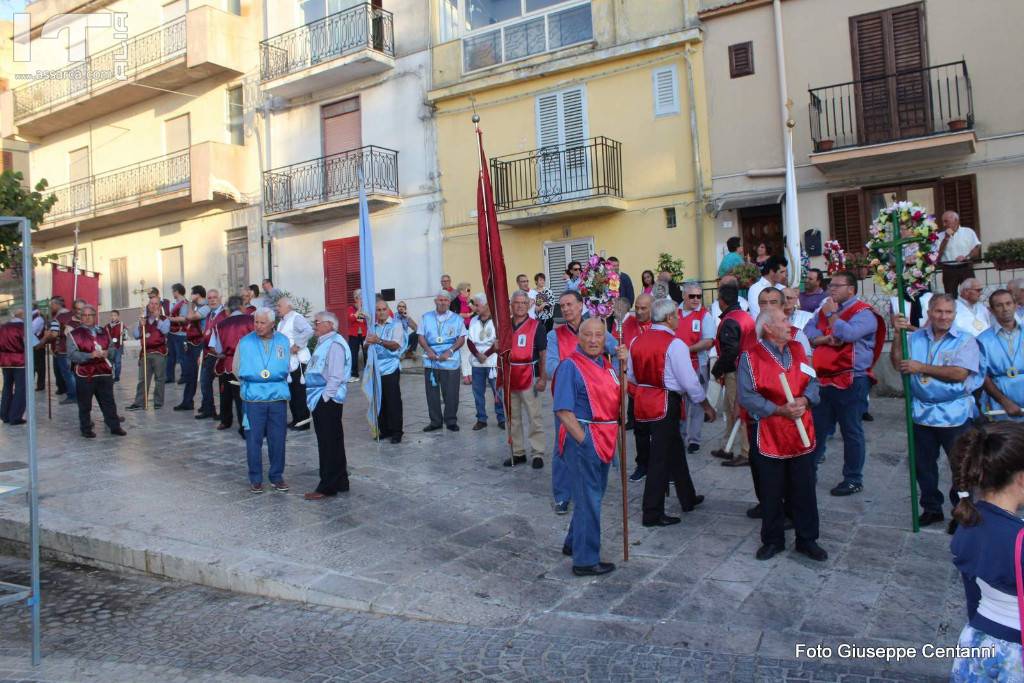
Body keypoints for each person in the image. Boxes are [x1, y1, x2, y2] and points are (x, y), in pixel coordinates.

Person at [738, 307, 826, 562]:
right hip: (770, 431)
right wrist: (778, 409)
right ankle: (773, 539)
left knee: (804, 488)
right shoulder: (749, 358)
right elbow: (748, 396)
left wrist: (805, 399)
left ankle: (807, 539)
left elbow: (813, 381)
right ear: (768, 327)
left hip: (801, 430)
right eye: (784, 320)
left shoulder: (799, 350)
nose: (790, 324)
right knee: (771, 490)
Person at [892, 294, 981, 528]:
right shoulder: (915, 337)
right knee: (923, 465)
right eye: (939, 311)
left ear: (954, 314)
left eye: (948, 312)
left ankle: (961, 510)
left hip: (954, 414)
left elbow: (959, 373)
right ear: (929, 312)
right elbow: (897, 363)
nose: (943, 316)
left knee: (960, 466)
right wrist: (897, 336)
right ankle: (931, 507)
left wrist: (921, 367)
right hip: (921, 412)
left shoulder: (965, 340)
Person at [630, 298, 715, 527]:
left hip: (643, 401)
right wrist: (705, 405)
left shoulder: (637, 340)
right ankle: (652, 512)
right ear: (669, 317)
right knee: (659, 459)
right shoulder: (674, 344)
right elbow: (689, 382)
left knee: (675, 449)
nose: (678, 318)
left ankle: (687, 497)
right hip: (666, 401)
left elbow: (632, 377)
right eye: (676, 315)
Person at [948, 422, 1024, 681]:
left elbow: (973, 596)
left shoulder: (967, 521)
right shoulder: (1019, 538)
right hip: (1014, 655)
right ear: (1021, 478)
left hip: (975, 642)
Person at [554, 318, 625, 577]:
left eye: (599, 335)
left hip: (605, 437)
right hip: (585, 440)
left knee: (591, 496)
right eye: (588, 335)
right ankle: (585, 560)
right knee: (589, 500)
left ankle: (574, 542)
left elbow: (621, 393)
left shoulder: (606, 365)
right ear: (579, 338)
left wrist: (623, 363)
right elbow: (563, 409)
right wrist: (584, 440)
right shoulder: (570, 366)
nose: (594, 340)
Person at [804, 271, 884, 495]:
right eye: (830, 285)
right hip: (824, 378)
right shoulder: (826, 309)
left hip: (852, 379)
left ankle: (853, 478)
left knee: (851, 431)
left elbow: (849, 334)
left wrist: (831, 318)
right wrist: (826, 338)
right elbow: (808, 331)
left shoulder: (864, 313)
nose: (832, 289)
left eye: (837, 286)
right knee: (817, 429)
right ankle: (808, 472)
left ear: (851, 289)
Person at [546, 290, 619, 515]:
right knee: (562, 447)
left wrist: (608, 371)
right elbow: (550, 367)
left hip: (594, 399)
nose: (566, 309)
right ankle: (562, 495)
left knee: (594, 451)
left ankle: (590, 491)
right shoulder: (554, 336)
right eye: (562, 305)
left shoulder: (595, 329)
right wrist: (577, 371)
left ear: (581, 305)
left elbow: (616, 351)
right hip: (568, 397)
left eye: (570, 304)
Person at [235, 307, 291, 494]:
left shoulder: (282, 341)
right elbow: (236, 367)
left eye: (262, 322)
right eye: (256, 322)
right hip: (253, 398)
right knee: (253, 440)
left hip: (278, 396)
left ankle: (276, 476)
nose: (258, 326)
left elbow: (287, 365)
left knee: (278, 439)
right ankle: (256, 478)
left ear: (272, 324)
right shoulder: (245, 342)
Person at [304, 311, 352, 499]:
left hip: (326, 400)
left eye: (317, 322)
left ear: (329, 325)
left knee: (328, 444)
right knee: (334, 441)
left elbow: (335, 375)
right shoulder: (324, 342)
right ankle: (341, 481)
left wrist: (325, 397)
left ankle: (327, 486)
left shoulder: (335, 344)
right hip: (320, 398)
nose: (314, 325)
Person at [711, 283, 755, 466]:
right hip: (745, 367)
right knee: (730, 410)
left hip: (735, 371)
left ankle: (746, 452)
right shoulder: (745, 316)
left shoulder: (730, 320)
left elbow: (730, 351)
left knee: (738, 410)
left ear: (721, 301)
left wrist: (717, 370)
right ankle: (727, 447)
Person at [67, 306, 126, 439]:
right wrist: (89, 355)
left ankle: (114, 426)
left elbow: (112, 348)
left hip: (104, 372)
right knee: (85, 404)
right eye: (84, 315)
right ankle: (86, 428)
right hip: (85, 373)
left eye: (90, 315)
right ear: (81, 317)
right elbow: (71, 354)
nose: (87, 318)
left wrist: (107, 353)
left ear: (95, 316)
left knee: (109, 401)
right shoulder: (74, 334)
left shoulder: (103, 331)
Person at [505, 290, 548, 468]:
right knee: (513, 417)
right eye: (517, 302)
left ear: (529, 304)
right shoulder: (505, 326)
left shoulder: (537, 326)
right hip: (510, 376)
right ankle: (518, 452)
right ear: (511, 305)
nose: (520, 306)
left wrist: (543, 378)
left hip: (529, 374)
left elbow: (543, 353)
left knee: (534, 416)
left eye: (524, 302)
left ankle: (537, 453)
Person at [419, 290, 467, 432]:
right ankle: (435, 422)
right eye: (440, 300)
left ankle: (451, 420)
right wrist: (428, 350)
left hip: (450, 360)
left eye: (445, 300)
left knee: (451, 393)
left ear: (449, 302)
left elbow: (461, 338)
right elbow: (421, 336)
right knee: (432, 393)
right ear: (435, 301)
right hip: (431, 360)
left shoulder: (457, 319)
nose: (443, 302)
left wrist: (450, 351)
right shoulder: (426, 317)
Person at [676, 283, 715, 453]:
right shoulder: (673, 313)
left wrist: (687, 350)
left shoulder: (704, 316)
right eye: (692, 296)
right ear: (684, 296)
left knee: (697, 403)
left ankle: (694, 440)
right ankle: (680, 436)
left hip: (697, 364)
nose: (696, 299)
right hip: (676, 365)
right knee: (679, 403)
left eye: (699, 296)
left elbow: (708, 341)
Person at [978, 289, 1024, 420]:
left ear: (1015, 305)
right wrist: (1004, 402)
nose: (1005, 309)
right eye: (999, 305)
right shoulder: (983, 340)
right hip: (1001, 404)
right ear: (991, 310)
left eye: (1008, 303)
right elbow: (983, 376)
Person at [462, 293, 505, 431]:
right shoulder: (474, 320)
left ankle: (502, 418)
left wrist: (486, 354)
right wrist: (476, 354)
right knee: (477, 392)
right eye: (474, 304)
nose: (475, 307)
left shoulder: (497, 320)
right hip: (477, 361)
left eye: (477, 305)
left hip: (492, 360)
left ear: (486, 305)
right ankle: (481, 418)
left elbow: (499, 342)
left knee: (497, 392)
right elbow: (470, 340)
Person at [211, 296, 253, 436]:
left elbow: (217, 349)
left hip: (228, 363)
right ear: (242, 307)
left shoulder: (221, 324)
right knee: (244, 396)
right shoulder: (251, 320)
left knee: (226, 394)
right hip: (248, 362)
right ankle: (245, 427)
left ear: (229, 309)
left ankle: (226, 420)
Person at [622, 294, 654, 481]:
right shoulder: (626, 325)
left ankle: (668, 468)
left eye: (644, 308)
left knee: (661, 433)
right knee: (640, 432)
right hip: (636, 389)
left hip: (656, 388)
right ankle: (642, 465)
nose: (640, 312)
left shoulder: (659, 324)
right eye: (637, 308)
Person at [365, 298, 405, 443]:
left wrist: (379, 341)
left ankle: (397, 431)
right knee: (379, 400)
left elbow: (395, 345)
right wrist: (367, 343)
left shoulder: (396, 325)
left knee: (393, 400)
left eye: (383, 309)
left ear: (388, 310)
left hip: (390, 367)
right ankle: (384, 429)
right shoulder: (372, 327)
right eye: (378, 310)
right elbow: (365, 345)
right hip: (376, 369)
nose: (381, 312)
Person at [276, 297, 313, 430]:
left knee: (299, 392)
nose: (277, 308)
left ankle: (303, 422)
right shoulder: (281, 322)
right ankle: (296, 419)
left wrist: (298, 345)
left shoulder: (296, 318)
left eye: (279, 306)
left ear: (288, 307)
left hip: (298, 360)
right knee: (291, 392)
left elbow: (309, 331)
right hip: (288, 361)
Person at [127, 297, 170, 410]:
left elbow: (165, 331)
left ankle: (158, 401)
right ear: (148, 305)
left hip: (159, 352)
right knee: (142, 379)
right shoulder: (143, 319)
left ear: (159, 306)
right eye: (151, 303)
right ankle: (139, 402)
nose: (153, 306)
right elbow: (136, 335)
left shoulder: (164, 319)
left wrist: (157, 319)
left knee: (159, 378)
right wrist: (140, 325)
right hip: (145, 352)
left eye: (156, 304)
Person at [174, 285, 210, 412]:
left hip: (200, 344)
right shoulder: (197, 307)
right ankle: (187, 401)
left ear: (198, 294)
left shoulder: (205, 307)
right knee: (190, 374)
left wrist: (189, 303)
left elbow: (190, 317)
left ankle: (206, 405)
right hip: (191, 343)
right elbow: (186, 319)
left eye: (192, 294)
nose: (190, 296)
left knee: (203, 377)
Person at [196, 290, 226, 420]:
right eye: (210, 298)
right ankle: (209, 409)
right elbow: (205, 335)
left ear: (220, 298)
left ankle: (224, 413)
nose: (212, 300)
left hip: (220, 355)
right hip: (209, 353)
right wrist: (201, 353)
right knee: (205, 382)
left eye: (215, 297)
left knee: (222, 385)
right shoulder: (209, 315)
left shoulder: (224, 314)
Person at [0, 309, 33, 425]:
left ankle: (4, 414)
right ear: (23, 315)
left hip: (5, 361)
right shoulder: (23, 327)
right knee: (21, 389)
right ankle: (15, 416)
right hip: (20, 361)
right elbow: (31, 344)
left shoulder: (3, 327)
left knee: (7, 387)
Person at [938, 210, 981, 295]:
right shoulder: (940, 236)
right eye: (943, 222)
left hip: (965, 267)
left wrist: (966, 257)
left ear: (956, 220)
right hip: (948, 269)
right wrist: (946, 238)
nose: (944, 224)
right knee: (950, 296)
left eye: (946, 221)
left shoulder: (968, 232)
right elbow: (938, 254)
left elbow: (976, 248)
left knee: (971, 293)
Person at [48, 296, 77, 403]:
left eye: (51, 305)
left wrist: (47, 337)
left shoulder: (57, 319)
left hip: (63, 349)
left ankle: (73, 395)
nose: (51, 307)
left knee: (68, 374)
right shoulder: (73, 315)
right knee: (73, 373)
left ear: (56, 305)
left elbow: (54, 335)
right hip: (75, 348)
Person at [747, 255, 788, 320]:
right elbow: (757, 317)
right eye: (782, 272)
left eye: (785, 271)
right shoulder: (755, 289)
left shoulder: (783, 288)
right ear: (771, 272)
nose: (784, 275)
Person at [166, 283, 189, 385]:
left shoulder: (185, 303)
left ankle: (185, 376)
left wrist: (171, 319)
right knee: (171, 356)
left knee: (182, 356)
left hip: (180, 334)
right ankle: (169, 376)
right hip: (172, 332)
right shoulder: (176, 303)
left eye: (173, 291)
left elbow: (184, 318)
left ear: (177, 291)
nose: (172, 293)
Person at [783, 287, 813, 357]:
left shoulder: (809, 317)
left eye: (789, 298)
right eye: (782, 298)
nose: (785, 300)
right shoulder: (772, 319)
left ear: (796, 300)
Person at [346, 289, 368, 382]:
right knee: (353, 354)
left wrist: (361, 311)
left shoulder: (366, 307)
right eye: (356, 297)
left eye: (359, 297)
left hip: (364, 334)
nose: (358, 299)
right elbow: (350, 319)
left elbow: (365, 320)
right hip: (353, 334)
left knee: (366, 353)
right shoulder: (350, 308)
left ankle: (369, 374)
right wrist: (358, 309)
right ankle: (354, 374)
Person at [104, 310, 125, 383]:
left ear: (118, 316)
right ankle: (110, 376)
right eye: (112, 315)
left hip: (118, 346)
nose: (113, 317)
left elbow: (126, 336)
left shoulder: (121, 325)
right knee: (110, 363)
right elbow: (104, 336)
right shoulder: (107, 326)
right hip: (110, 347)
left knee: (118, 362)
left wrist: (124, 334)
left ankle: (117, 377)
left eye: (115, 315)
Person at [31, 308, 45, 391]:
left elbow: (31, 330)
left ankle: (40, 385)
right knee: (34, 367)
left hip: (37, 346)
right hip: (34, 345)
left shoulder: (38, 319)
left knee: (39, 367)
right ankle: (34, 384)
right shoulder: (34, 319)